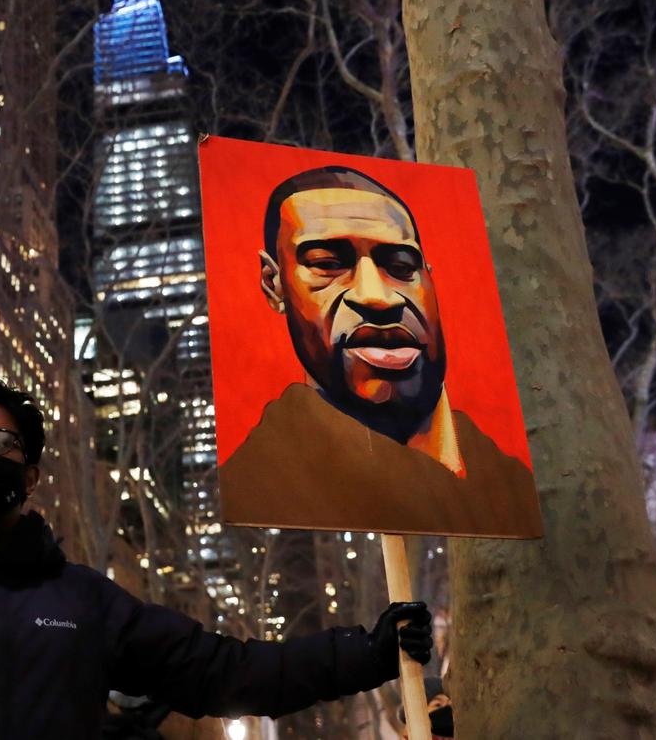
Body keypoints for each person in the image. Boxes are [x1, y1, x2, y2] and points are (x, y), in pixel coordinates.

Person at [0, 378, 434, 738]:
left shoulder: (84, 601)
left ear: (31, 474)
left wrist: (366, 653)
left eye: (1, 443)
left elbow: (225, 670)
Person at [219, 165, 543, 537]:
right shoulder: (259, 482)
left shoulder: (512, 488)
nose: (377, 295)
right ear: (273, 284)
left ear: (429, 278)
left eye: (403, 267)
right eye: (326, 265)